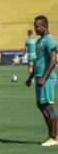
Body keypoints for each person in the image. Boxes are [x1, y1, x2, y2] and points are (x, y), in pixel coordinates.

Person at [26, 15, 58, 146]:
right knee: (41, 105)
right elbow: (38, 61)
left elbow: (53, 60)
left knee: (48, 106)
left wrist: (44, 77)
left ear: (44, 26)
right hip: (39, 77)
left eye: (37, 26)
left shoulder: (50, 40)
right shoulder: (39, 41)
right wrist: (30, 77)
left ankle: (53, 137)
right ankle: (51, 135)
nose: (35, 29)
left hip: (47, 78)